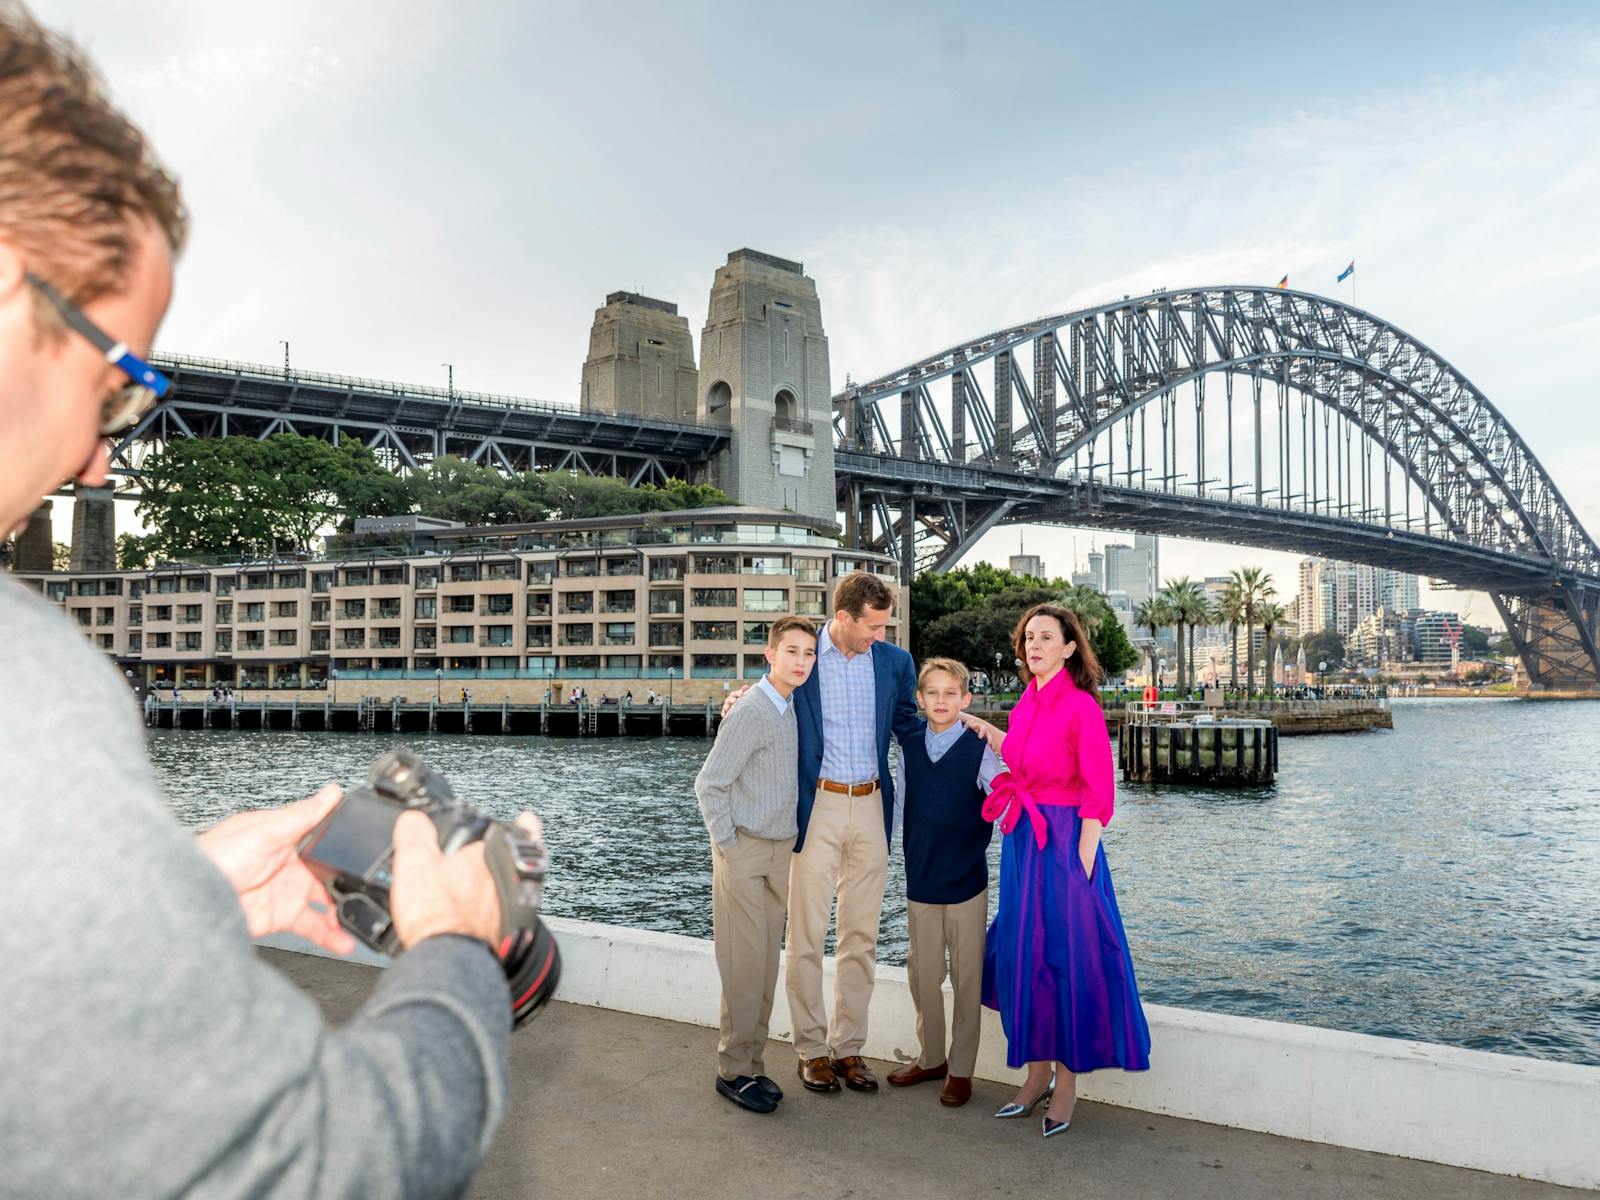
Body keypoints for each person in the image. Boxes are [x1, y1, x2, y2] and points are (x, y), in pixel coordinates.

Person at [0, 10, 538, 1194]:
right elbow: (315, 1171)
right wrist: (453, 950)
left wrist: (163, 903)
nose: (100, 462)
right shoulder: (23, 689)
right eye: (120, 382)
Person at [722, 571, 920, 1094]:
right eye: (873, 626)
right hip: (817, 806)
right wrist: (738, 701)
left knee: (862, 936)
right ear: (844, 617)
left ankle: (849, 1047)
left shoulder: (895, 663)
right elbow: (774, 692)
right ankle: (811, 1050)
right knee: (805, 935)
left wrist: (968, 732)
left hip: (873, 805)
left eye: (885, 626)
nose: (880, 635)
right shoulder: (807, 657)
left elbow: (910, 727)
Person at [965, 604, 1151, 1139]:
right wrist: (984, 729)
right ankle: (1036, 1073)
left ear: (1070, 648)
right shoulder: (1026, 702)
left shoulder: (1082, 707)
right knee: (1029, 957)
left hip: (1068, 844)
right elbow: (1023, 758)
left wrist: (1082, 864)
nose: (1034, 645)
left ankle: (1066, 1082)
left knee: (1069, 957)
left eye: (1047, 637)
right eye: (1029, 638)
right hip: (1024, 840)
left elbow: (1099, 793)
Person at [693, 615, 819, 1114]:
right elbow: (710, 784)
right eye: (791, 651)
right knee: (743, 966)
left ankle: (754, 1066)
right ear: (770, 655)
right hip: (744, 851)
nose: (801, 662)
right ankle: (732, 1070)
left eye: (809, 653)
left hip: (779, 850)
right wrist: (728, 846)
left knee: (766, 966)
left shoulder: (789, 706)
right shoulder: (750, 710)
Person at [884, 657, 1003, 1108]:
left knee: (967, 977)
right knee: (923, 974)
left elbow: (1003, 794)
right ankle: (931, 1055)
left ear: (965, 700)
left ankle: (961, 1068)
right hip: (922, 877)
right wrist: (889, 849)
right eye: (931, 693)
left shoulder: (978, 748)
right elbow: (903, 803)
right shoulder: (910, 743)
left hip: (967, 881)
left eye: (950, 693)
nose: (940, 700)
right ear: (919, 699)